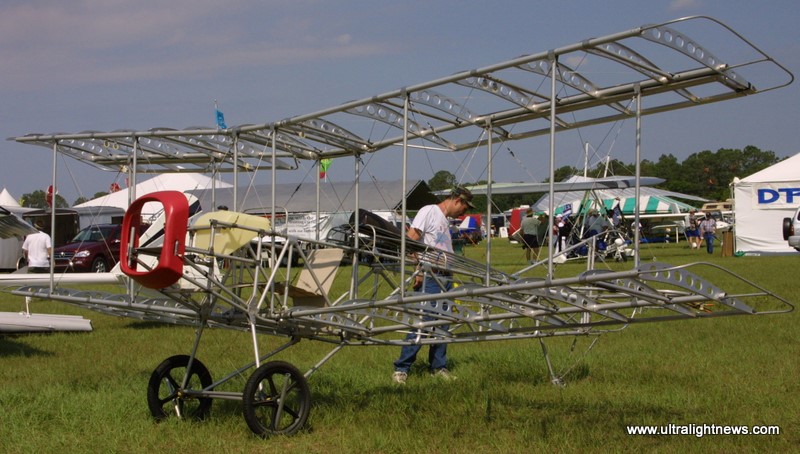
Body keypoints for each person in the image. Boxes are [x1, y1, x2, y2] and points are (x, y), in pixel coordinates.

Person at [392, 186, 473, 384]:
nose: (465, 212)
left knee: (444, 322)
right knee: (424, 320)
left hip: (445, 277)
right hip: (430, 276)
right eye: (464, 207)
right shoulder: (429, 211)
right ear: (456, 201)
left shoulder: (446, 221)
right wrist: (418, 268)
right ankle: (402, 368)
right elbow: (410, 240)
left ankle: (438, 366)